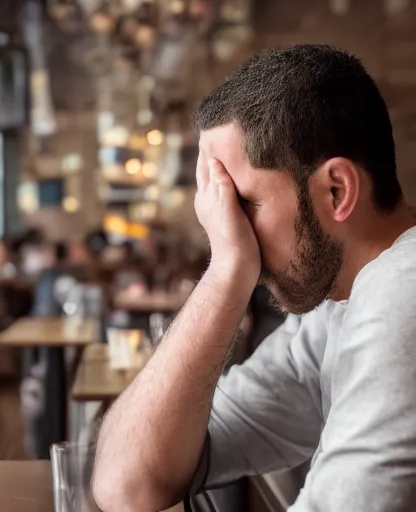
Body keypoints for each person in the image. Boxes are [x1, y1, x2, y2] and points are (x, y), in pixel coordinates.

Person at [93, 44, 416, 512]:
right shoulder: (332, 314)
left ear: (336, 190)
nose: (226, 230)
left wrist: (228, 265)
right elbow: (128, 483)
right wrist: (225, 275)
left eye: (241, 203)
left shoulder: (402, 293)